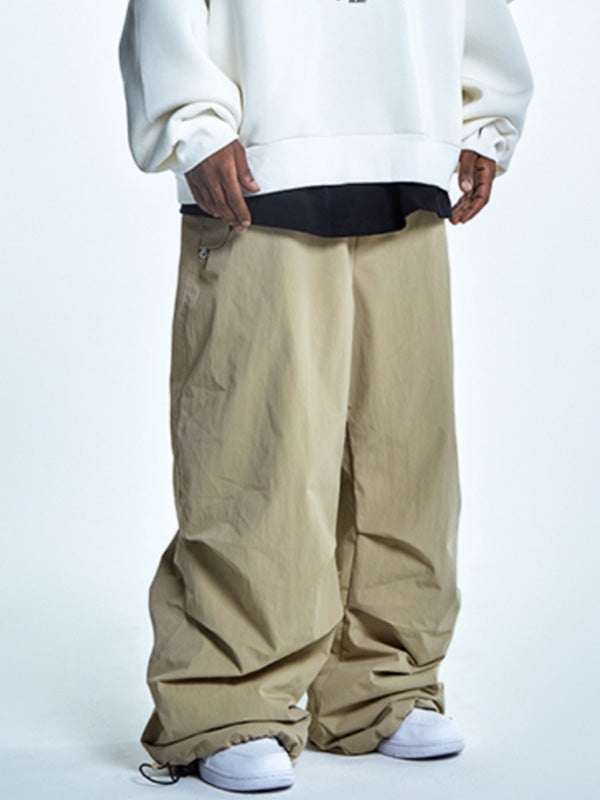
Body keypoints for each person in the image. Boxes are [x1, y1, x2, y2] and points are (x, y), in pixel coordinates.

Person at [118, 0, 533, 792]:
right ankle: (227, 705)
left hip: (410, 139)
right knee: (256, 448)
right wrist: (193, 124)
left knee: (405, 448)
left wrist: (485, 115)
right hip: (261, 153)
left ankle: (380, 686)